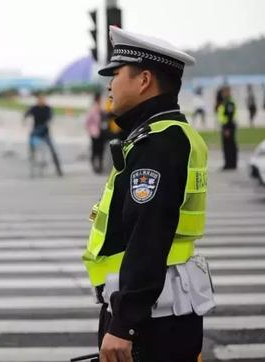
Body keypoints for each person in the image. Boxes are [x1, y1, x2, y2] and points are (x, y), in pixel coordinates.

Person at [82, 26, 213, 362]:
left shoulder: (158, 144)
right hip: (153, 310)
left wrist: (124, 325)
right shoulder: (158, 136)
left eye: (116, 74)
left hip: (151, 320)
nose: (109, 85)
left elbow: (149, 234)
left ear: (143, 80)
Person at [23, 94, 63, 176]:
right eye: (40, 99)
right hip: (36, 133)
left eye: (43, 99)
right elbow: (26, 114)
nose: (41, 101)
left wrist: (48, 122)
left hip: (45, 133)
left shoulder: (48, 108)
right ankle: (32, 158)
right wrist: (24, 118)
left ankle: (58, 169)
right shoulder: (34, 108)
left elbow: (51, 118)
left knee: (53, 150)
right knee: (32, 144)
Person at [84, 92, 105, 174]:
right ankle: (94, 166)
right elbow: (86, 122)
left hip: (102, 132)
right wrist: (90, 131)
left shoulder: (102, 108)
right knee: (95, 150)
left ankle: (100, 166)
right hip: (95, 133)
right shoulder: (93, 109)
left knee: (101, 149)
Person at [218, 85, 238, 170]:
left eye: (224, 92)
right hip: (227, 126)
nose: (223, 94)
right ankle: (230, 164)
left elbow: (229, 116)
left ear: (227, 92)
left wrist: (226, 129)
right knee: (229, 145)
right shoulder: (226, 101)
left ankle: (230, 164)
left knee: (229, 146)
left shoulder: (229, 102)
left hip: (228, 126)